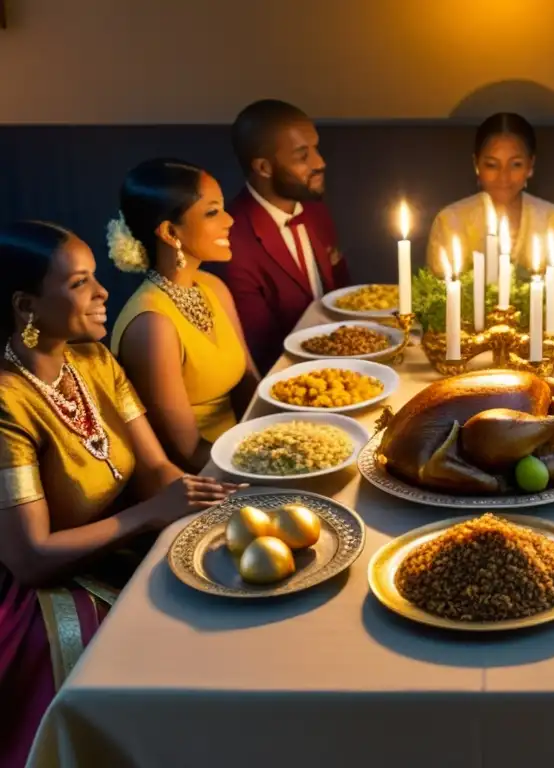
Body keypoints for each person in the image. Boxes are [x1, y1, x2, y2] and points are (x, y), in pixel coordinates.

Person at [0, 221, 240, 768]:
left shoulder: (94, 361)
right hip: (41, 593)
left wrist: (219, 494)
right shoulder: (7, 402)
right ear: (26, 305)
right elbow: (29, 558)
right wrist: (151, 516)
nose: (103, 292)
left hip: (121, 539)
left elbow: (156, 466)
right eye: (81, 282)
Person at [109, 159, 260, 473]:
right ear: (169, 231)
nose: (230, 220)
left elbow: (249, 384)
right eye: (212, 212)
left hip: (246, 450)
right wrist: (267, 464)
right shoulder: (151, 325)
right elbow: (186, 454)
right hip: (209, 477)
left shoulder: (213, 287)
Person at [214, 99, 350, 373]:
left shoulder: (314, 209)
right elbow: (261, 349)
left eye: (316, 149)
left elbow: (342, 293)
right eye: (303, 156)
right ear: (264, 168)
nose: (320, 162)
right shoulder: (232, 240)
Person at [426, 112, 554, 276]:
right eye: (492, 165)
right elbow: (438, 294)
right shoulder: (450, 223)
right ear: (476, 164)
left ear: (530, 165)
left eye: (516, 165)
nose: (503, 177)